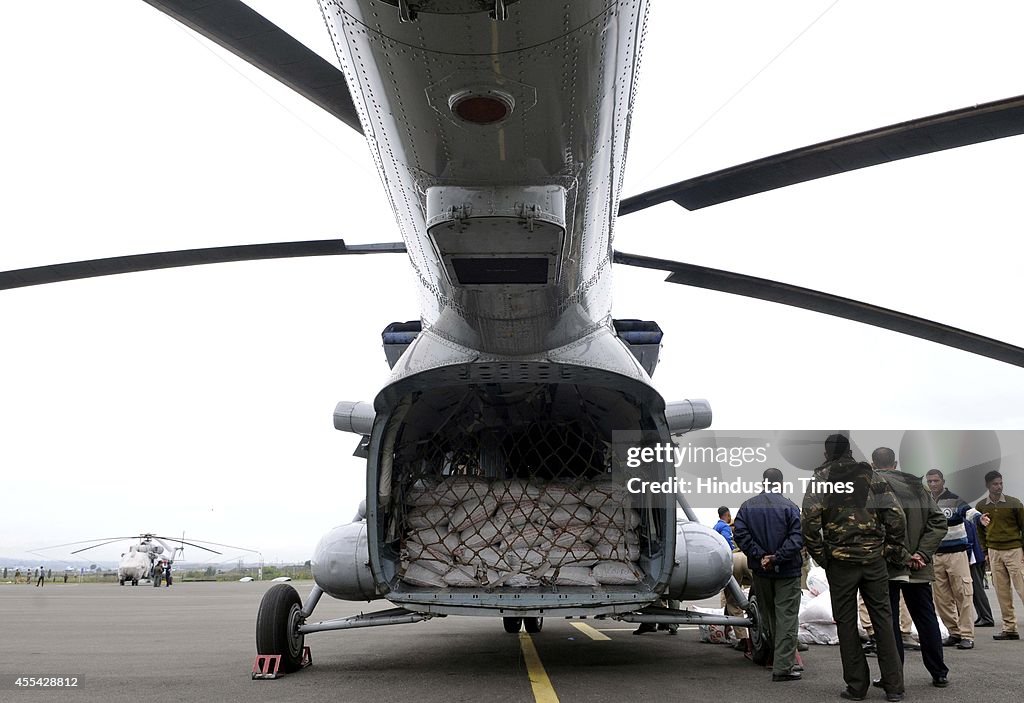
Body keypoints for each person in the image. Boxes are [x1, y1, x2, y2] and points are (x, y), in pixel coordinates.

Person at [802, 434, 910, 702]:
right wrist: (889, 549)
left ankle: (856, 686)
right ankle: (894, 687)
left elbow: (809, 523)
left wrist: (823, 556)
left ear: (826, 454)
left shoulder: (821, 480)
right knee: (883, 621)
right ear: (850, 451)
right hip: (873, 560)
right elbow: (896, 515)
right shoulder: (871, 476)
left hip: (840, 562)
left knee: (847, 624)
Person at [873, 447, 949, 688]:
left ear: (873, 464)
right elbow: (938, 521)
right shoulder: (918, 487)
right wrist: (921, 553)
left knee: (889, 622)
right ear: (895, 463)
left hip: (887, 566)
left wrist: (903, 555)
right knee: (925, 619)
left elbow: (875, 529)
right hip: (918, 566)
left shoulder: (872, 488)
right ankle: (939, 672)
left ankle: (893, 676)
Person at [733, 468, 804, 682]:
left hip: (761, 572)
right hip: (787, 571)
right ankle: (783, 667)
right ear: (781, 484)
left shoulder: (747, 507)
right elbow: (797, 538)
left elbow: (740, 534)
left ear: (763, 482)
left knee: (769, 615)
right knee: (787, 617)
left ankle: (776, 656)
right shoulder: (791, 507)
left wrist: (760, 555)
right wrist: (777, 557)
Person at [926, 468, 990, 649]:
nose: (933, 484)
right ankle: (954, 632)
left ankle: (967, 635)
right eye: (929, 481)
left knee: (963, 593)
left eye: (936, 481)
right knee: (941, 598)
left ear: (943, 481)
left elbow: (969, 512)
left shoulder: (954, 498)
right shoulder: (926, 501)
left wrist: (980, 519)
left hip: (957, 554)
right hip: (936, 555)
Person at [975, 470, 1024, 640]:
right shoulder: (981, 506)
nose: (999, 486)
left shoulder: (1014, 503)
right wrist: (985, 550)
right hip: (994, 551)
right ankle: (1009, 628)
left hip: (1014, 549)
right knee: (1002, 591)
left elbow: (1023, 526)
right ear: (987, 486)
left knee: (1022, 588)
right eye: (995, 484)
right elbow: (979, 530)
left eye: (1000, 483)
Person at [965, 515, 994, 627]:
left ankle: (986, 617)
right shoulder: (968, 521)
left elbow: (970, 541)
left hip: (974, 559)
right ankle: (982, 616)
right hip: (977, 556)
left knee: (977, 589)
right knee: (976, 589)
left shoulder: (965, 522)